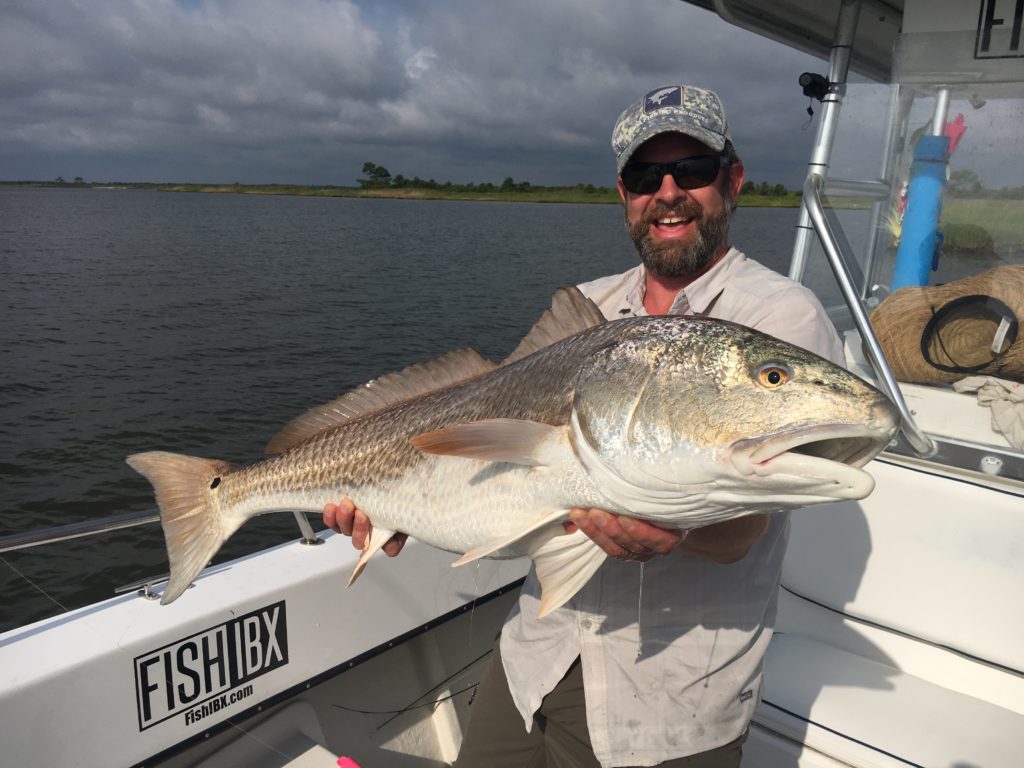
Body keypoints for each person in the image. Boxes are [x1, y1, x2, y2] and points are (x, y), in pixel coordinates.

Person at [324, 85, 844, 767]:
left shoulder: (779, 319)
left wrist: (676, 530)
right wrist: (399, 507)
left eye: (691, 170)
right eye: (644, 177)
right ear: (624, 194)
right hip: (535, 657)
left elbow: (750, 524)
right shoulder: (587, 308)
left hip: (667, 699)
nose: (668, 193)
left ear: (733, 179)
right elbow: (492, 449)